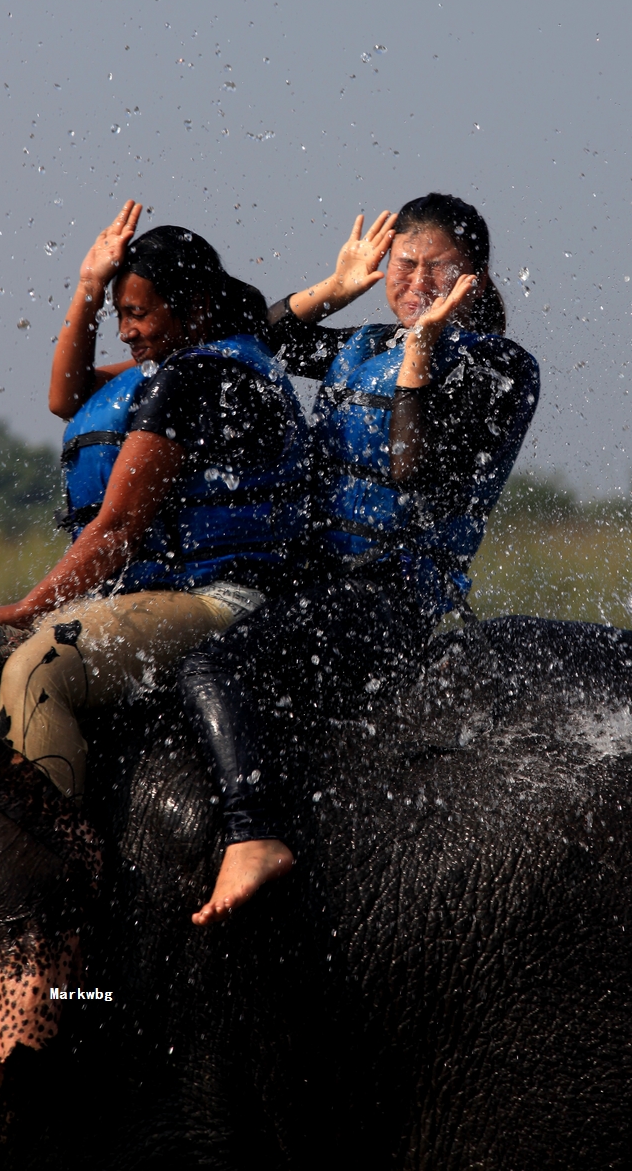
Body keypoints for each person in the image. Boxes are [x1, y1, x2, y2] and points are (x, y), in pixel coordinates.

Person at [178, 192, 540, 925]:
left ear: (475, 275)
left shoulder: (501, 366)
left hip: (391, 599)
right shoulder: (361, 342)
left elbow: (412, 469)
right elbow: (243, 342)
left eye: (438, 267)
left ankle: (253, 834)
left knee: (211, 667)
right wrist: (332, 291)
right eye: (403, 264)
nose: (417, 281)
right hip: (309, 583)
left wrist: (421, 354)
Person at [0, 201, 310, 799]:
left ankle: (57, 869)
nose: (126, 331)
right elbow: (67, 394)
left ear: (195, 308)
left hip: (223, 599)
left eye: (137, 314)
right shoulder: (188, 365)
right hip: (173, 593)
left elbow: (117, 530)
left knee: (35, 670)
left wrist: (29, 609)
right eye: (119, 315)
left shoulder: (195, 379)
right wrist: (87, 286)